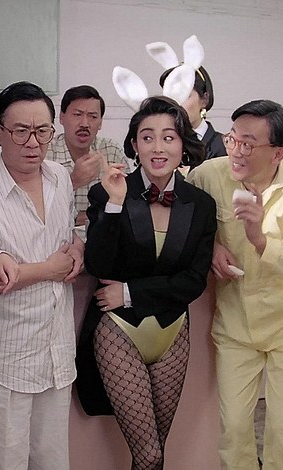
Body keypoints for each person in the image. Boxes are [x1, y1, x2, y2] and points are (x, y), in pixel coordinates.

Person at [75, 95, 217, 469]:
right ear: (135, 144)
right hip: (119, 331)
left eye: (169, 137)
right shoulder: (106, 191)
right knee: (149, 453)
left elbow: (193, 281)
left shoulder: (201, 204)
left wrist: (129, 291)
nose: (158, 147)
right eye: (147, 137)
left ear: (182, 144)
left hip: (173, 330)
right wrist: (115, 204)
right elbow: (97, 264)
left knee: (156, 452)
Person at [186, 99, 283, 470]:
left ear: (278, 153)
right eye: (232, 139)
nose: (236, 151)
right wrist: (210, 245)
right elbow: (184, 219)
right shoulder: (208, 175)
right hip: (235, 323)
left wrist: (261, 240)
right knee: (233, 428)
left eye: (248, 144)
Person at [0, 81, 83, 470]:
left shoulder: (60, 177)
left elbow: (68, 234)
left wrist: (77, 250)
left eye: (43, 131)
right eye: (21, 131)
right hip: (1, 361)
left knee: (52, 463)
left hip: (54, 353)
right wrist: (47, 270)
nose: (33, 142)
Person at [46, 85, 127, 236]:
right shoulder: (46, 153)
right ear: (61, 118)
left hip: (101, 238)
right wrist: (72, 181)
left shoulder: (111, 151)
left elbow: (125, 207)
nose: (84, 123)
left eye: (93, 116)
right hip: (56, 240)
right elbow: (34, 212)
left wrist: (90, 217)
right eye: (77, 114)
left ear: (100, 122)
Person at [159, 64, 227, 160]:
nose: (175, 104)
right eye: (170, 97)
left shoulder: (224, 147)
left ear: (204, 100)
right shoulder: (158, 146)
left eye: (183, 95)